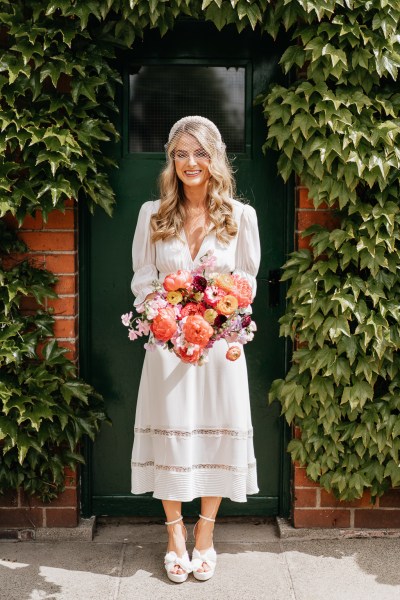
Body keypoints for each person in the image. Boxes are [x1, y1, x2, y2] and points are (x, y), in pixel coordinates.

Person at [130, 115, 261, 583]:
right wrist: (167, 315)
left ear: (215, 159)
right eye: (181, 154)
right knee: (171, 434)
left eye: (200, 153)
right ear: (171, 161)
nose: (191, 163)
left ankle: (204, 533)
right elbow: (143, 278)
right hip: (167, 350)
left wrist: (211, 313)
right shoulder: (153, 213)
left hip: (219, 350)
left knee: (213, 435)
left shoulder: (241, 217)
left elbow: (245, 284)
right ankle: (174, 536)